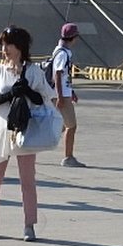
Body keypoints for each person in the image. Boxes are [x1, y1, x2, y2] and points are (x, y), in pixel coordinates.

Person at [0, 26, 50, 242]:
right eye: (2, 44)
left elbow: (44, 99)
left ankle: (29, 224)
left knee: (27, 180)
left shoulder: (34, 71)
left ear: (20, 47)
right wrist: (11, 93)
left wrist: (27, 90)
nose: (4, 49)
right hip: (1, 128)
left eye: (8, 44)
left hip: (24, 130)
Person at [48, 22, 82, 166]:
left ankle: (30, 146)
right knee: (71, 126)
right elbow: (58, 74)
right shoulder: (62, 53)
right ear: (73, 37)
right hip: (61, 95)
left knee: (59, 126)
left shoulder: (60, 51)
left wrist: (71, 91)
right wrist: (61, 97)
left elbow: (63, 76)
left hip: (63, 93)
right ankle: (68, 157)